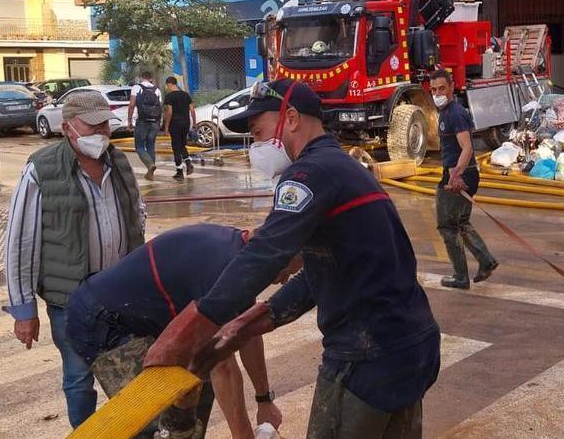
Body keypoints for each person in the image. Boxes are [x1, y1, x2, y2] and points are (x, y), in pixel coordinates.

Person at [144, 80, 440, 438]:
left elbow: (265, 253)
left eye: (257, 132)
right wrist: (242, 327)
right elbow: (322, 273)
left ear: (293, 118)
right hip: (412, 347)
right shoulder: (348, 169)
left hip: (365, 358)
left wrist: (183, 334)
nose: (255, 145)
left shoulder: (306, 174)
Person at [66, 224, 297, 438]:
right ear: (276, 257)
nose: (286, 281)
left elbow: (246, 333)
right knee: (159, 422)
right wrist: (244, 435)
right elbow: (223, 366)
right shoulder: (220, 268)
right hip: (102, 320)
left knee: (195, 387)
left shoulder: (246, 256)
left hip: (142, 319)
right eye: (289, 271)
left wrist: (263, 399)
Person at [3, 89, 146, 429]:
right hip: (71, 300)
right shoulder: (42, 170)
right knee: (79, 378)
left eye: (105, 127)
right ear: (68, 128)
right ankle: (86, 433)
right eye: (92, 127)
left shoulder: (119, 162)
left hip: (120, 294)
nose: (101, 134)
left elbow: (137, 213)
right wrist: (24, 310)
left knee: (131, 376)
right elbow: (20, 241)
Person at [429, 70, 498, 290]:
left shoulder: (455, 113)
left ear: (451, 87)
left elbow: (467, 146)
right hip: (460, 172)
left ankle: (460, 277)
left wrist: (457, 173)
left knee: (447, 226)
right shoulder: (447, 111)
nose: (437, 93)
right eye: (433, 90)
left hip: (460, 174)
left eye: (441, 88)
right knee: (460, 222)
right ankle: (486, 261)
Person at [128, 71, 163, 180]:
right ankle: (150, 174)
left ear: (141, 78)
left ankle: (150, 165)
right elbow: (160, 107)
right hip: (154, 122)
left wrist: (129, 121)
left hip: (142, 121)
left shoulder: (136, 88)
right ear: (151, 79)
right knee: (151, 147)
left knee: (139, 147)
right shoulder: (157, 90)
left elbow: (132, 105)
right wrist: (159, 122)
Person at [163, 76, 196, 180]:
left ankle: (179, 172)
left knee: (176, 148)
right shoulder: (186, 95)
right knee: (182, 145)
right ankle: (188, 163)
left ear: (169, 84)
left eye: (167, 86)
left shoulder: (169, 97)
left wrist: (166, 126)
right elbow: (192, 110)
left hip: (175, 124)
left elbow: (169, 112)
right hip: (186, 123)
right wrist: (194, 123)